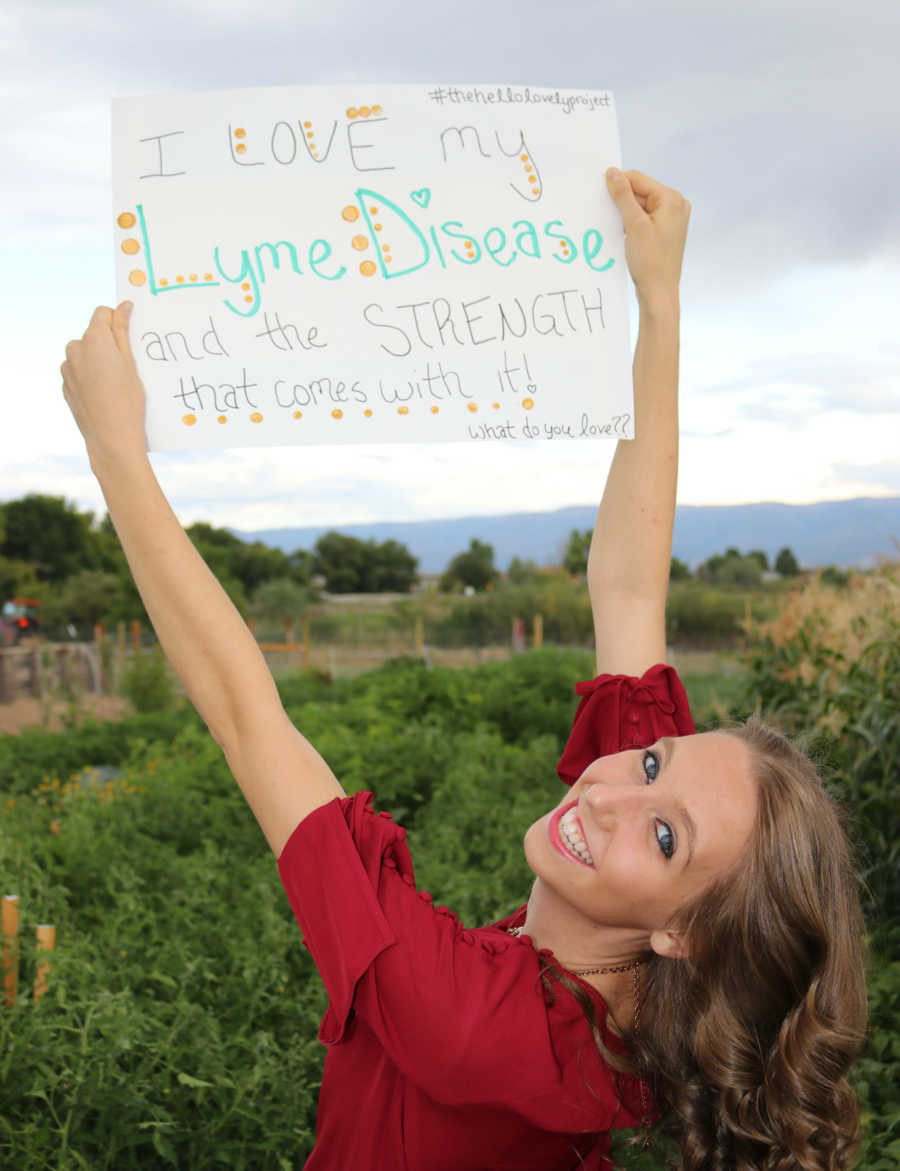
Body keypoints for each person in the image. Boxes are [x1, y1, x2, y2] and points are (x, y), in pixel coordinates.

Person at [61, 168, 867, 1171]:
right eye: (656, 759)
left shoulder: (477, 1030)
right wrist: (657, 308)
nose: (615, 789)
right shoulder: (641, 980)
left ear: (684, 932)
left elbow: (249, 719)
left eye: (667, 836)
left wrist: (117, 457)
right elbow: (629, 593)